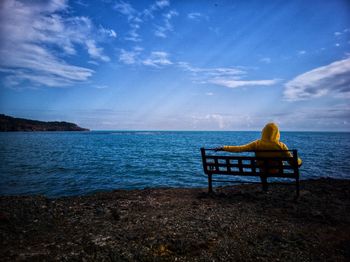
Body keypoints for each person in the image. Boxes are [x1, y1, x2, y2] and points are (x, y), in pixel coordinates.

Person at [215, 122, 302, 173]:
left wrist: (223, 148)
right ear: (277, 133)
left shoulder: (257, 143)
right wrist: (298, 162)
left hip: (263, 169)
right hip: (276, 170)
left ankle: (264, 186)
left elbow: (239, 149)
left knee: (261, 165)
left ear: (264, 132)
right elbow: (291, 160)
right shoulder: (281, 145)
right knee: (295, 162)